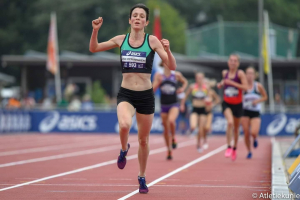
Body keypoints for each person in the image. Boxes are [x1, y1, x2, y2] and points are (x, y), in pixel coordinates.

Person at [89, 3, 176, 194]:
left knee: (144, 140)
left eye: (141, 16)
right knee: (124, 125)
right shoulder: (122, 39)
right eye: (134, 15)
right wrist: (95, 31)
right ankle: (123, 148)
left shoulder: (152, 41)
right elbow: (94, 48)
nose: (137, 18)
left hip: (145, 95)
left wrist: (168, 50)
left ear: (146, 21)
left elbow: (172, 66)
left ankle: (142, 176)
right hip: (126, 93)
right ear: (130, 20)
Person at [152, 61, 188, 160]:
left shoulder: (176, 75)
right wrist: (158, 82)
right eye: (165, 62)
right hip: (163, 105)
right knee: (165, 130)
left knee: (171, 121)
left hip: (174, 104)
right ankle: (169, 150)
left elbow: (185, 82)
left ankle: (173, 138)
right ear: (163, 64)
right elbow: (152, 90)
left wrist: (182, 89)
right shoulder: (159, 75)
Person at [217, 54, 247, 161]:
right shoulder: (225, 73)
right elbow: (224, 81)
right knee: (230, 123)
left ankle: (235, 148)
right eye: (231, 60)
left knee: (236, 128)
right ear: (228, 62)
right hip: (227, 103)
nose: (233, 62)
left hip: (238, 105)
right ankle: (229, 146)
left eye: (235, 61)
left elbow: (245, 87)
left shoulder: (240, 73)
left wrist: (233, 83)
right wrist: (221, 84)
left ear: (238, 63)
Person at [241, 67, 267, 159]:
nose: (250, 75)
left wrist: (257, 101)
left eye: (251, 73)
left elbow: (265, 97)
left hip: (255, 112)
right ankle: (249, 151)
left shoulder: (258, 86)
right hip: (244, 111)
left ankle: (255, 138)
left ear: (255, 75)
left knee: (253, 132)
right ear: (245, 75)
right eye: (248, 73)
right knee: (246, 132)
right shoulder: (242, 86)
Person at [181, 72, 209, 153]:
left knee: (201, 129)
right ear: (196, 79)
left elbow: (209, 97)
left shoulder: (206, 88)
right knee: (193, 126)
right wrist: (182, 104)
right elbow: (185, 96)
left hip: (203, 110)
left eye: (201, 78)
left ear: (203, 79)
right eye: (198, 78)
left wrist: (209, 102)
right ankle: (193, 132)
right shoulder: (192, 87)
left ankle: (198, 144)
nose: (199, 80)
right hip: (195, 109)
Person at [204, 78, 221, 147]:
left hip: (209, 112)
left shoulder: (211, 92)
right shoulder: (201, 91)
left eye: (206, 84)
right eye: (204, 84)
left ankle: (206, 138)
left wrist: (213, 104)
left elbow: (218, 99)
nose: (205, 85)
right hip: (202, 112)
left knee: (207, 127)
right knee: (202, 127)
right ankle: (204, 141)